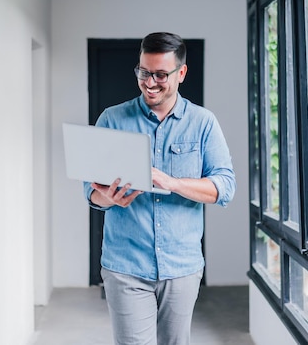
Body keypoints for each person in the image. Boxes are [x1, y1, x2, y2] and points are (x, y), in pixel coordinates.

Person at [83, 32, 236, 345]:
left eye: (160, 75)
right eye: (143, 72)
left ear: (181, 73)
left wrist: (172, 182)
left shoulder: (203, 123)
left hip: (181, 267)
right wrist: (108, 197)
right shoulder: (112, 119)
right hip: (125, 265)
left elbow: (225, 187)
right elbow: (90, 189)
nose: (149, 82)